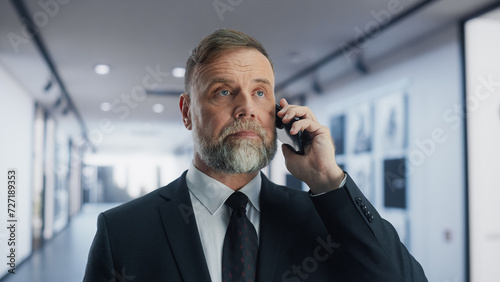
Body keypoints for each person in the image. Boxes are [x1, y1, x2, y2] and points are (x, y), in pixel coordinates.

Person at [84, 29, 427, 282]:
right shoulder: (123, 232)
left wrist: (329, 181)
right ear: (187, 112)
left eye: (260, 92)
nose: (246, 107)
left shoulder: (324, 220)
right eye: (223, 91)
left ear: (277, 110)